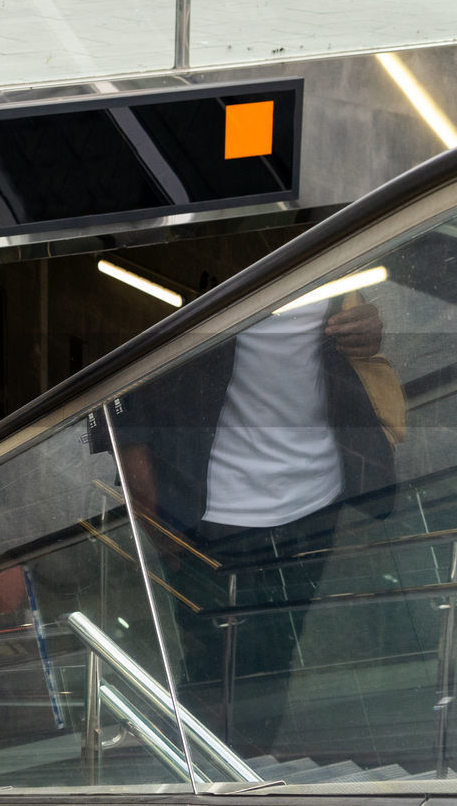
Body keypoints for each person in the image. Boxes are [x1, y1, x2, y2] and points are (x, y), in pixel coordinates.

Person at [109, 290, 396, 749]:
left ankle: (248, 771)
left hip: (316, 497)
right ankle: (203, 769)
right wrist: (151, 510)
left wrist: (367, 326)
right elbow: (127, 383)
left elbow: (356, 326)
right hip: (208, 510)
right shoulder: (199, 252)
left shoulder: (323, 247)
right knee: (207, 662)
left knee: (274, 656)